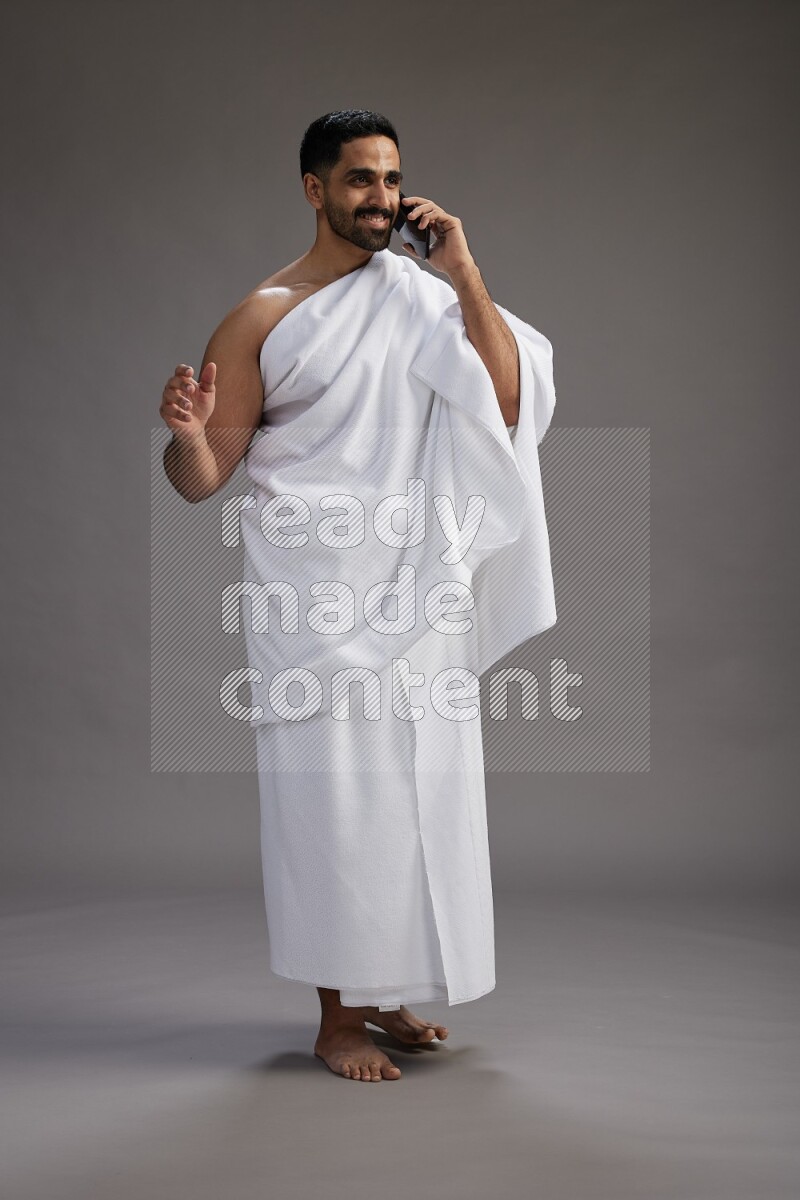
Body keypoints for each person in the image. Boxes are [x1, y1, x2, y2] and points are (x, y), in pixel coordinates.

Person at [159, 110, 555, 1082]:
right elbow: (204, 477)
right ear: (313, 189)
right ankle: (335, 1016)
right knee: (333, 804)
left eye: (390, 178)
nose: (380, 198)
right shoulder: (265, 316)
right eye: (358, 180)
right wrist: (186, 434)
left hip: (417, 590)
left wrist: (461, 272)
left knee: (419, 796)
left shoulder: (425, 297)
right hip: (315, 600)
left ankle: (382, 995)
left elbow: (507, 404)